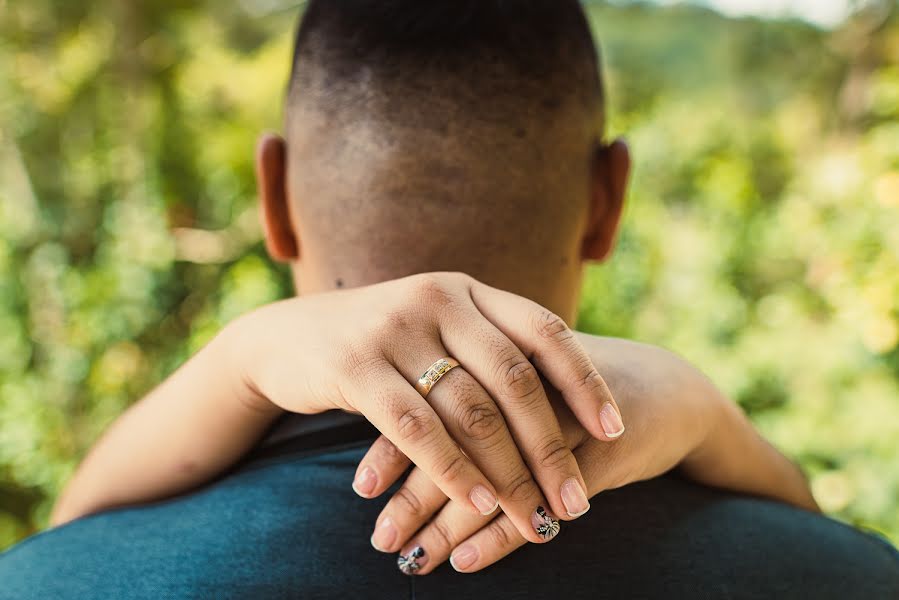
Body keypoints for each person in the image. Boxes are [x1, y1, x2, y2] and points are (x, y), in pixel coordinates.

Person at [1, 1, 897, 598]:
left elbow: (67, 534)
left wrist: (240, 359)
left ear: (271, 196)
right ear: (606, 199)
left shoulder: (49, 581)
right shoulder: (848, 578)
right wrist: (704, 408)